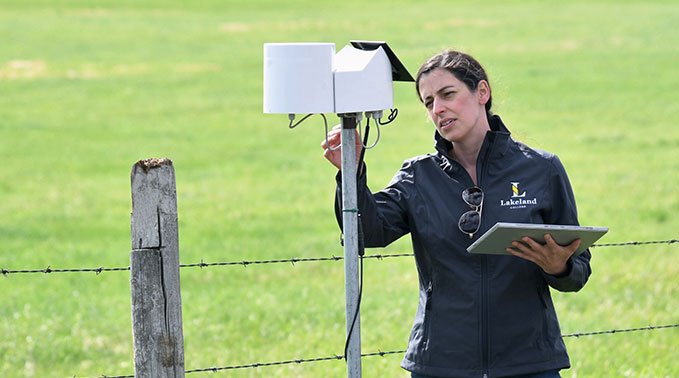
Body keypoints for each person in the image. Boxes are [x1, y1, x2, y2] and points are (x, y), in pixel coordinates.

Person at [321, 50, 592, 378]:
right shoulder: (418, 176)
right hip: (440, 362)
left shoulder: (541, 169)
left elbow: (578, 269)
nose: (438, 109)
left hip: (528, 362)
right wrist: (351, 173)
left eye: (448, 94)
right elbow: (367, 233)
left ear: (482, 93)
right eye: (428, 102)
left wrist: (559, 267)